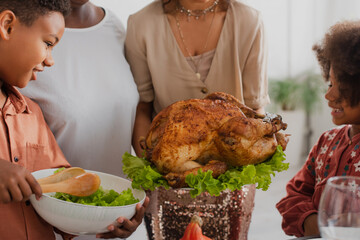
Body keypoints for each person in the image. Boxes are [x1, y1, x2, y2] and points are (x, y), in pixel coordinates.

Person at [125, 0, 269, 238]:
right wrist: (154, 178)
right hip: (168, 178)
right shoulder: (141, 24)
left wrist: (242, 175)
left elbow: (254, 108)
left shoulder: (249, 21)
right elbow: (143, 107)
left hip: (229, 187)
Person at [20, 1, 149, 239]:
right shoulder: (22, 31)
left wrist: (140, 199)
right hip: (47, 225)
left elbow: (134, 111)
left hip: (113, 221)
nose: (48, 58)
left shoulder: (116, 28)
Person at [276, 20, 360, 238]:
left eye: (343, 88)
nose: (329, 96)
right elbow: (293, 195)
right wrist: (319, 225)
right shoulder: (327, 141)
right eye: (330, 84)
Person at [0, 0, 72, 239]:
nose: (50, 60)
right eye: (48, 43)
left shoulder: (32, 114)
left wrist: (109, 218)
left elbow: (62, 195)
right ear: (7, 26)